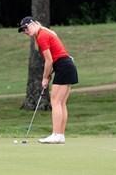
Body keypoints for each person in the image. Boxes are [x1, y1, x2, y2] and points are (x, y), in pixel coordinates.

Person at [18, 16, 78, 144]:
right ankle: (60, 135)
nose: (25, 32)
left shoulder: (42, 36)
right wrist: (49, 73)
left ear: (33, 24)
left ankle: (56, 134)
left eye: (26, 28)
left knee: (55, 102)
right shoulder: (46, 33)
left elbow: (49, 60)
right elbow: (54, 59)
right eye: (23, 30)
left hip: (63, 66)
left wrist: (45, 78)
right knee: (61, 103)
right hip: (67, 66)